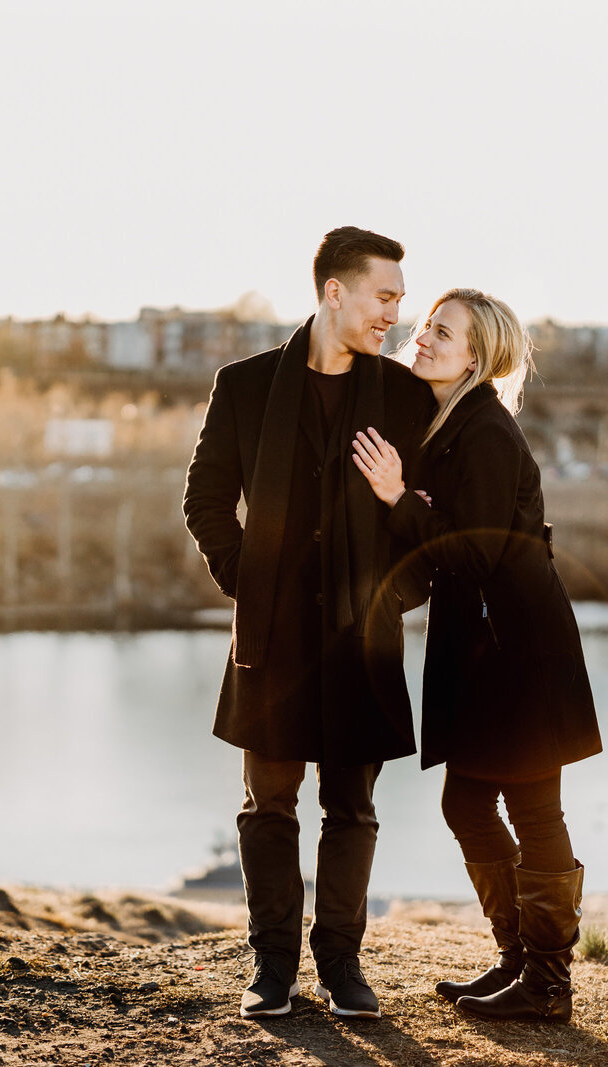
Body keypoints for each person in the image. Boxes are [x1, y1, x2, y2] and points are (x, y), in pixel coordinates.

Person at [182, 227, 436, 1019]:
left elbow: (432, 520)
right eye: (385, 295)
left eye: (400, 297)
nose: (397, 312)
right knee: (268, 805)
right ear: (336, 292)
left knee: (353, 808)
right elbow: (205, 501)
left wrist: (394, 563)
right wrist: (249, 584)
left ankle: (342, 966)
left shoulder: (404, 397)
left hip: (363, 640)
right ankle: (272, 968)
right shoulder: (246, 386)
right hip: (273, 640)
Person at [351, 288, 602, 1024]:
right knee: (467, 800)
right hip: (485, 647)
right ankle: (520, 959)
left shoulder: (485, 431)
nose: (424, 337)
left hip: (518, 647)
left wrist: (399, 495)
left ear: (479, 356)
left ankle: (548, 985)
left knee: (531, 804)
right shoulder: (449, 424)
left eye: (445, 332)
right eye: (427, 325)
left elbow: (480, 547)